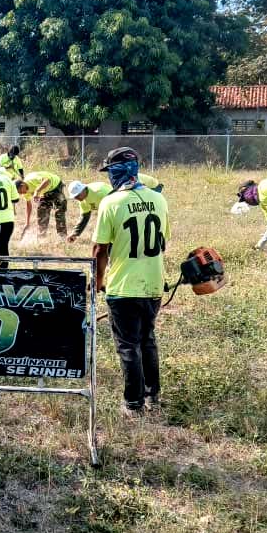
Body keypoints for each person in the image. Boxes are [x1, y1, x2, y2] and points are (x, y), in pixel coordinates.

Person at [93, 147, 170, 415]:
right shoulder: (159, 200)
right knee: (147, 340)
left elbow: (100, 250)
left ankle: (133, 404)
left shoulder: (111, 203)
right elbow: (163, 242)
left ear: (115, 173)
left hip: (123, 287)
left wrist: (98, 280)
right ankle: (153, 396)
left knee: (128, 345)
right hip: (153, 284)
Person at [67, 172, 164, 243]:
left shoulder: (100, 191)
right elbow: (84, 217)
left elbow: (120, 201)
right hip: (132, 191)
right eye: (74, 197)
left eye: (77, 195)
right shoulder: (83, 200)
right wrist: (75, 233)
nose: (76, 198)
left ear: (83, 190)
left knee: (144, 212)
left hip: (151, 187)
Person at [15, 170, 67, 238]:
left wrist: (37, 191)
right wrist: (27, 222)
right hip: (45, 192)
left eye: (20, 191)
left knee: (60, 210)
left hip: (56, 185)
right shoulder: (25, 193)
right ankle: (42, 235)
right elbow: (28, 206)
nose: (21, 194)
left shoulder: (32, 179)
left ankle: (62, 235)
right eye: (19, 193)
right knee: (42, 211)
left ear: (22, 185)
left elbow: (47, 180)